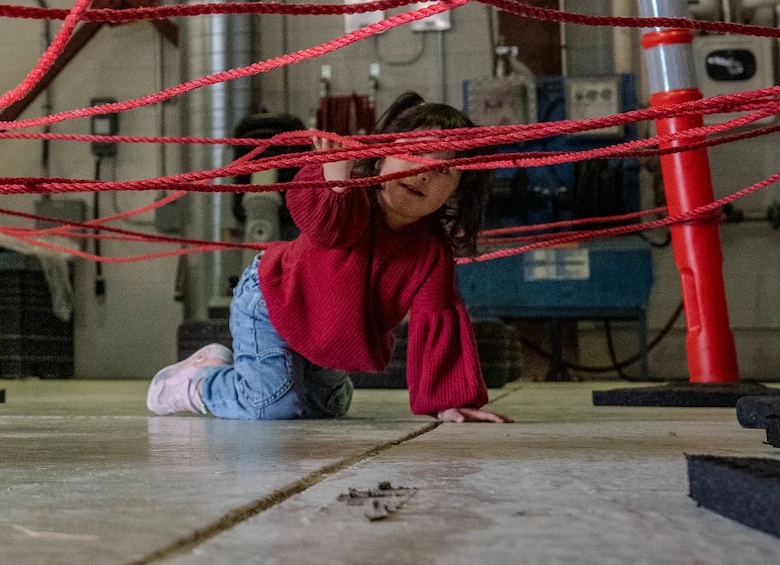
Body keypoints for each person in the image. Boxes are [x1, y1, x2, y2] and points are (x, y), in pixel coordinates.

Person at [147, 92, 511, 425]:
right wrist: (335, 180)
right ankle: (196, 382)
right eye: (414, 155)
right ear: (382, 155)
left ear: (455, 194)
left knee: (327, 408)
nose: (423, 173)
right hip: (275, 300)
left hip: (329, 334)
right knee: (270, 405)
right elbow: (326, 227)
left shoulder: (431, 253)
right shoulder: (353, 198)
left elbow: (438, 322)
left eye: (444, 170)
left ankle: (264, 373)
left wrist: (450, 402)